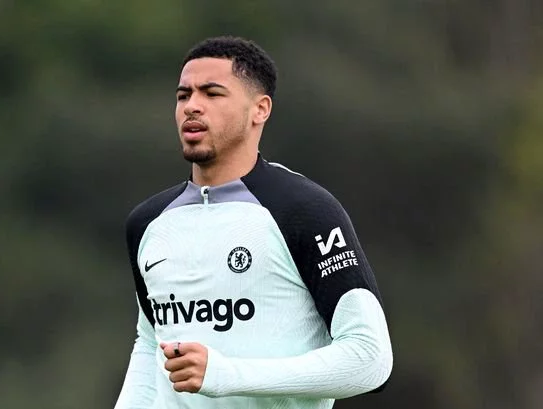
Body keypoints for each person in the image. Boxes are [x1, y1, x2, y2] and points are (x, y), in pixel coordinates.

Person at [114, 36, 393, 409]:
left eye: (212, 93)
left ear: (260, 109)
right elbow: (150, 348)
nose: (192, 107)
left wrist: (227, 375)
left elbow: (370, 359)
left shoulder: (304, 210)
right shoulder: (148, 223)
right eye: (183, 96)